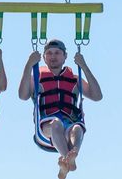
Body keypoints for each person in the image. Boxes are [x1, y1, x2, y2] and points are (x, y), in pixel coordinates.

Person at [18, 39, 103, 179]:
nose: (53, 56)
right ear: (44, 57)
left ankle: (70, 158)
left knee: (77, 128)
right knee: (56, 123)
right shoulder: (37, 78)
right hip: (47, 125)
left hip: (69, 122)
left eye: (57, 53)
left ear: (65, 57)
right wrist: (29, 65)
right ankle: (67, 158)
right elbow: (23, 95)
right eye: (49, 53)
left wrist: (84, 66)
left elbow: (97, 96)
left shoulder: (74, 79)